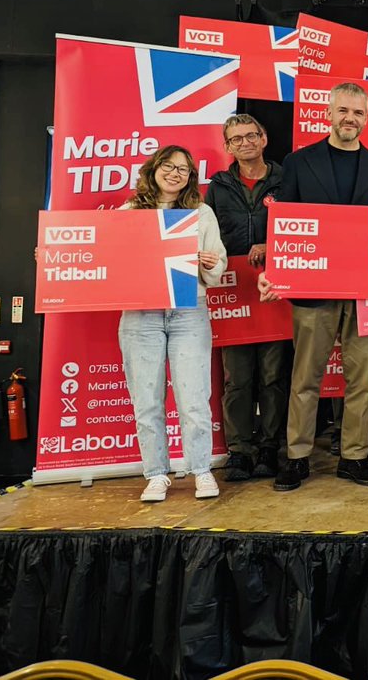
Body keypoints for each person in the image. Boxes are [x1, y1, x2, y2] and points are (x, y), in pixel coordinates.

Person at [259, 81, 368, 492]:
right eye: (344, 111)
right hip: (313, 288)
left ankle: (355, 456)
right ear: (329, 113)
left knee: (362, 380)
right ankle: (297, 457)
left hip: (364, 291)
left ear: (367, 118)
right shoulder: (297, 162)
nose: (350, 119)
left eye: (358, 113)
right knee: (305, 376)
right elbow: (285, 224)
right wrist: (277, 269)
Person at [119, 146, 227, 502]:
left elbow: (218, 268)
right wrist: (52, 253)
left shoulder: (201, 212)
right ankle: (156, 474)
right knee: (147, 398)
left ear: (190, 178)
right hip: (141, 314)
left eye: (183, 169)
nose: (175, 173)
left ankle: (201, 470)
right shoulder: (131, 212)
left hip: (188, 311)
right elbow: (105, 253)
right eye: (168, 166)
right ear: (153, 169)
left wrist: (210, 263)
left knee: (194, 397)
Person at [203, 114, 287, 482]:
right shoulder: (218, 186)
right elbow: (206, 231)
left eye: (251, 135)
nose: (244, 143)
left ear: (264, 137)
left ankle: (270, 447)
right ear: (228, 147)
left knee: (273, 375)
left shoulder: (286, 178)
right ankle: (240, 451)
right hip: (232, 290)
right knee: (236, 378)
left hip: (275, 288)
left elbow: (303, 222)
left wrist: (272, 244)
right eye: (236, 139)